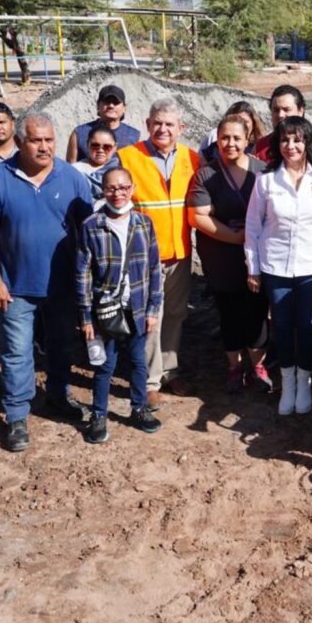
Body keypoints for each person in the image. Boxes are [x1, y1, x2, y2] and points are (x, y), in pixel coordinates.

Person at [0, 113, 93, 452]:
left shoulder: (72, 178)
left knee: (61, 346)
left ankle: (58, 396)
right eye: (36, 141)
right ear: (21, 142)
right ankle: (16, 416)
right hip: (15, 286)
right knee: (17, 352)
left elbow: (88, 233)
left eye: (49, 140)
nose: (44, 147)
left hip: (63, 285)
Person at [245, 116, 312, 415]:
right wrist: (254, 268)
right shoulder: (265, 181)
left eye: (298, 139)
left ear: (308, 143)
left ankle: (305, 381)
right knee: (284, 327)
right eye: (285, 140)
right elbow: (252, 227)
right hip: (275, 266)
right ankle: (288, 384)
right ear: (278, 144)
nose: (291, 146)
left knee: (308, 325)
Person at [115, 98, 201, 403]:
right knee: (150, 316)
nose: (162, 129)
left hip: (179, 251)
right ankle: (150, 381)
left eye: (169, 124)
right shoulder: (128, 157)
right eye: (157, 123)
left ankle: (170, 371)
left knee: (175, 314)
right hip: (144, 255)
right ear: (148, 125)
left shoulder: (193, 158)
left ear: (181, 128)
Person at [75, 166, 164, 443]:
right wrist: (86, 317)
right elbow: (83, 275)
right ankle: (99, 415)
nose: (118, 193)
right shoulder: (91, 226)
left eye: (123, 187)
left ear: (132, 189)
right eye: (112, 188)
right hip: (105, 310)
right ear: (103, 190)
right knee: (105, 364)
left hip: (136, 307)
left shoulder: (144, 223)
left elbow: (154, 270)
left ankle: (139, 409)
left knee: (138, 362)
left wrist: (153, 310)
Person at [187, 114, 273, 394]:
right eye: (224, 138)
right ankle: (235, 367)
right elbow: (199, 216)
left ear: (248, 140)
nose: (230, 143)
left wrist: (219, 215)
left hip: (257, 257)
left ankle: (259, 367)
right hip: (220, 256)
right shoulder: (205, 174)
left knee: (257, 310)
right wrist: (237, 235)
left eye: (237, 138)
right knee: (229, 312)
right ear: (217, 140)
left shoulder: (263, 171)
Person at [251, 85, 312, 180]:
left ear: (300, 111)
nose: (280, 115)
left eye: (286, 109)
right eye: (276, 110)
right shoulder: (260, 147)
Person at [65, 84, 143, 163]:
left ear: (124, 108)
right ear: (98, 105)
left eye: (116, 102)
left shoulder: (135, 136)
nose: (111, 106)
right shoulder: (79, 134)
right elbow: (71, 168)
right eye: (107, 101)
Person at [199, 100, 266, 164]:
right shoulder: (214, 149)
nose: (241, 125)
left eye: (245, 122)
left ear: (253, 124)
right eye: (237, 120)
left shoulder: (261, 148)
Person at [72, 124, 120, 200]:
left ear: (115, 147)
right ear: (88, 144)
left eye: (107, 147)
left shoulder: (120, 169)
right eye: (95, 145)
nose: (100, 150)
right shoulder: (75, 170)